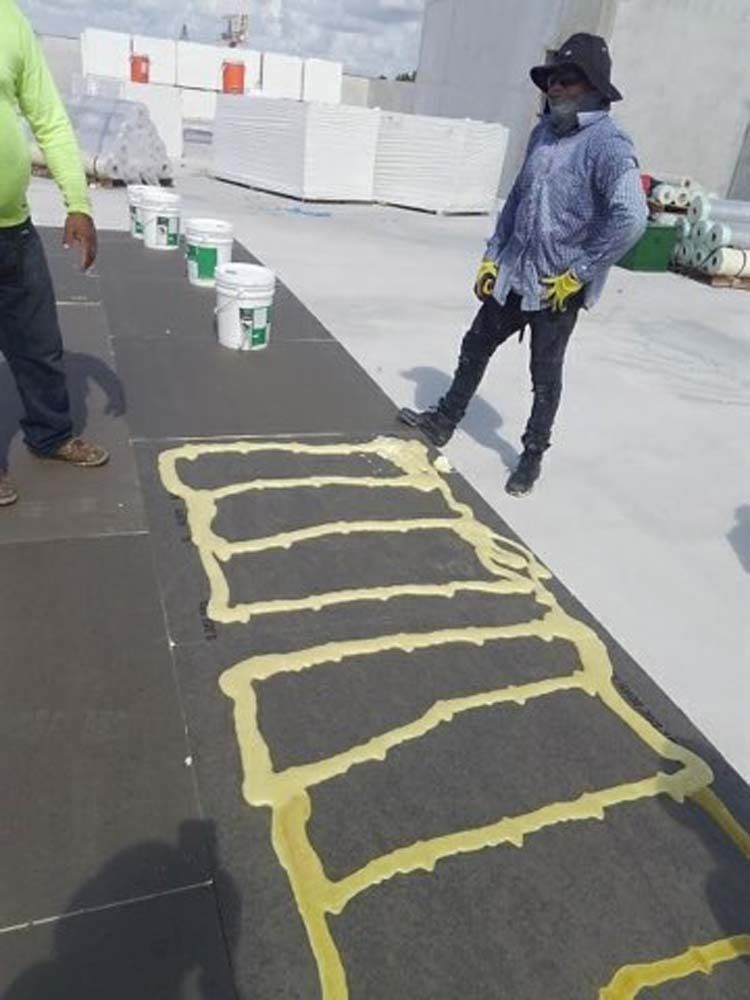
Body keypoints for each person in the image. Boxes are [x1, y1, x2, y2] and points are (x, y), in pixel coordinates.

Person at [398, 33, 648, 497]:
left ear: (594, 87)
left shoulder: (609, 144)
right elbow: (516, 200)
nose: (556, 87)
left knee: (544, 376)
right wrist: (492, 257)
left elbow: (632, 217)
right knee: (475, 344)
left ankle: (532, 456)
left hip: (558, 285)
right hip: (515, 273)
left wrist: (582, 271)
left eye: (568, 79)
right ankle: (444, 420)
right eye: (552, 79)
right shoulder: (543, 133)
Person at [1, 0, 107, 509]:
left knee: (39, 344)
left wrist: (78, 201)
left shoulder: (10, 20)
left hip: (13, 229)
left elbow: (48, 118)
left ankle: (51, 434)